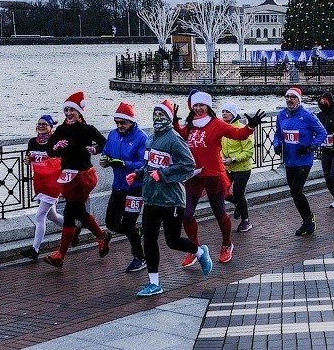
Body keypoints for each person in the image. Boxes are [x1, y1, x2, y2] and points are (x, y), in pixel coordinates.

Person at [125, 100, 214, 297]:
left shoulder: (174, 139)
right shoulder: (151, 138)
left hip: (171, 199)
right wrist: (138, 174)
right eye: (155, 115)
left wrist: (164, 174)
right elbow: (149, 165)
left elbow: (188, 164)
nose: (157, 119)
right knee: (149, 240)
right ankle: (154, 283)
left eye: (161, 116)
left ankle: (200, 253)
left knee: (172, 241)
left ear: (169, 118)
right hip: (151, 197)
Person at [176, 90, 264, 265]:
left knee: (220, 214)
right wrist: (173, 124)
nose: (199, 108)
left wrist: (250, 127)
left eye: (202, 105)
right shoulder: (191, 124)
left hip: (214, 175)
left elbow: (237, 134)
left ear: (208, 106)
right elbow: (182, 135)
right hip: (194, 175)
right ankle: (195, 249)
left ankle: (226, 245)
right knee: (186, 215)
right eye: (196, 105)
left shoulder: (216, 124)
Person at [43, 91, 110, 268]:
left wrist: (95, 150)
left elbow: (105, 143)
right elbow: (50, 149)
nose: (68, 113)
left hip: (83, 177)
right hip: (67, 177)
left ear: (80, 111)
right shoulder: (61, 130)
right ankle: (102, 236)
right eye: (66, 110)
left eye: (72, 110)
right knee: (79, 212)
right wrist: (56, 146)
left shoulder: (88, 130)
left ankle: (60, 255)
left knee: (69, 212)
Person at [100, 102, 148, 273]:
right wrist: (105, 159)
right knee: (110, 223)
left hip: (135, 187)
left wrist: (122, 164)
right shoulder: (113, 135)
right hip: (118, 186)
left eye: (123, 123)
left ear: (131, 122)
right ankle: (136, 232)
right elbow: (106, 150)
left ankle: (140, 257)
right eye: (117, 122)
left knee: (127, 224)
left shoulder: (141, 137)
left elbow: (144, 164)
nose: (119, 126)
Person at [273, 87, 327, 235]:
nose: (289, 100)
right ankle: (306, 220)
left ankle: (309, 220)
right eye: (287, 97)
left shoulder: (308, 115)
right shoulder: (281, 115)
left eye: (293, 97)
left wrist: (310, 147)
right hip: (289, 160)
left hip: (304, 160)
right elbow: (277, 134)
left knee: (296, 190)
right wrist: (276, 145)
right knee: (294, 192)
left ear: (299, 99)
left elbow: (322, 133)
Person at [19, 115, 63, 261]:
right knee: (52, 216)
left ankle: (35, 249)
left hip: (53, 183)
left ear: (51, 126)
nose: (41, 126)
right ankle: (73, 228)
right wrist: (27, 159)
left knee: (39, 216)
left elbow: (62, 160)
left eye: (44, 124)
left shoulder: (55, 142)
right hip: (39, 183)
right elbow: (28, 156)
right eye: (39, 124)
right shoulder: (33, 142)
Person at [219, 102, 255, 233]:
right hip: (227, 166)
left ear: (233, 113)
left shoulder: (241, 129)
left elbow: (249, 151)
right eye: (222, 111)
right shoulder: (222, 129)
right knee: (222, 191)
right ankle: (238, 205)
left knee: (239, 193)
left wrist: (233, 159)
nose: (224, 114)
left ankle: (245, 220)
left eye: (227, 112)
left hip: (242, 167)